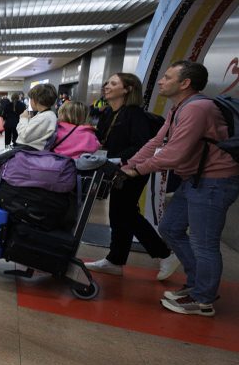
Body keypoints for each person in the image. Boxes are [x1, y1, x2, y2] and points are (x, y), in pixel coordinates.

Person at [122, 61, 239, 316]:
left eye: (167, 77)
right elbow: (157, 142)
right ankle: (197, 283)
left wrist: (138, 170)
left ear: (184, 83)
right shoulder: (180, 107)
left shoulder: (198, 108)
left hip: (214, 181)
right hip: (196, 180)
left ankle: (202, 299)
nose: (161, 81)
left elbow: (174, 154)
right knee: (170, 228)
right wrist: (129, 164)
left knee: (204, 242)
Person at [86, 73, 175, 277]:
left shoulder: (134, 115)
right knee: (118, 214)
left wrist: (118, 160)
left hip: (133, 171)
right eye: (108, 82)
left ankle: (164, 253)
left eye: (113, 83)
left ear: (127, 89)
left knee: (126, 213)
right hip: (116, 169)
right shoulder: (109, 112)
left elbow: (141, 145)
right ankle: (115, 260)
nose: (107, 86)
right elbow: (102, 141)